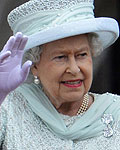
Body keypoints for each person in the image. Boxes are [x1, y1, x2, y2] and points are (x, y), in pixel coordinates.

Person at [0, 0, 120, 149]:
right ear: (34, 65)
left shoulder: (116, 111)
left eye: (82, 55)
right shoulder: (9, 108)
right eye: (61, 57)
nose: (74, 69)